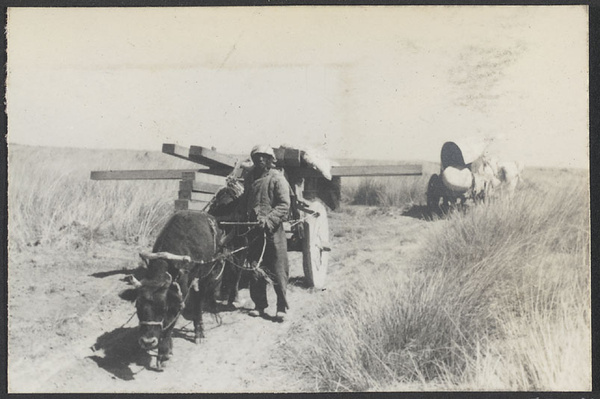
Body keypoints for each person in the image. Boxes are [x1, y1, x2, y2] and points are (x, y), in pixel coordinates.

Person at [237, 144, 291, 322]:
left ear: (270, 160)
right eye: (257, 156)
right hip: (254, 231)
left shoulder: (277, 178)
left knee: (278, 268)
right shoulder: (250, 178)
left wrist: (268, 221)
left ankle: (281, 307)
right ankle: (260, 305)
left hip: (273, 232)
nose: (260, 159)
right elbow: (245, 201)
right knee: (255, 267)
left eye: (264, 156)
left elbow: (284, 205)